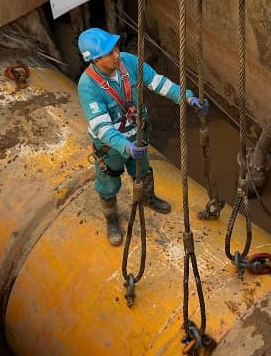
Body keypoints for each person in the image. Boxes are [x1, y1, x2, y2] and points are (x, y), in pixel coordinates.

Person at [77, 27, 208, 246]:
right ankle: (112, 219)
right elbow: (101, 127)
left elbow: (157, 82)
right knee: (108, 181)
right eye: (110, 53)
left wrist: (187, 97)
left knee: (143, 169)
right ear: (96, 60)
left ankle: (148, 197)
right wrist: (125, 146)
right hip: (111, 146)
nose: (117, 55)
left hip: (137, 133)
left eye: (116, 48)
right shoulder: (88, 87)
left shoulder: (128, 61)